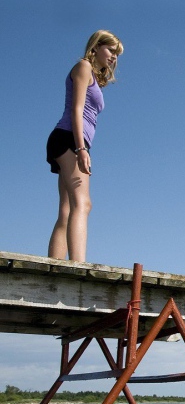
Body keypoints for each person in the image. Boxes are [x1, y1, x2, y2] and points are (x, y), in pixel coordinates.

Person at [46, 30, 123, 262]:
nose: (113, 57)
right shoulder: (83, 67)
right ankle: (78, 266)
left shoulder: (91, 75)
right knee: (84, 203)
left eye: (116, 54)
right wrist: (81, 149)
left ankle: (55, 266)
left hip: (69, 139)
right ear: (96, 47)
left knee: (67, 209)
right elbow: (76, 110)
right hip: (70, 138)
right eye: (110, 50)